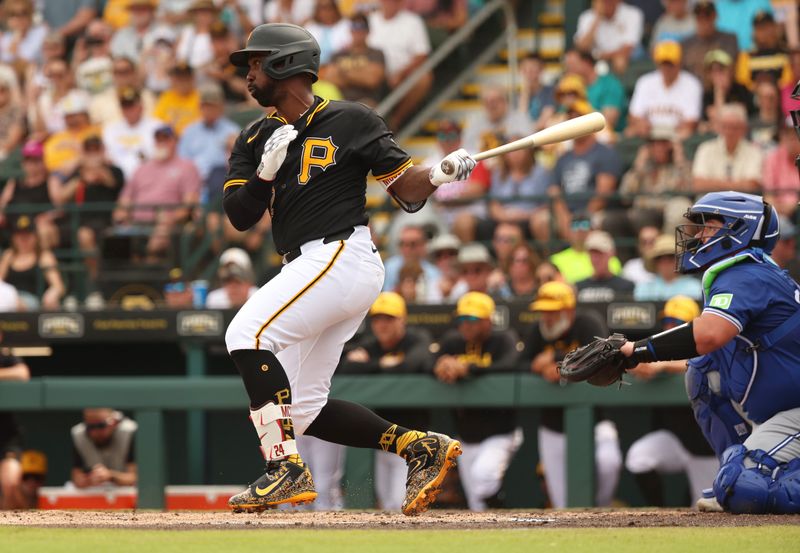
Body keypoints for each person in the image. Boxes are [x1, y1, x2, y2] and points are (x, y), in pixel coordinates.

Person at [221, 23, 475, 515]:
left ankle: (284, 469)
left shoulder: (350, 118)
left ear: (285, 63)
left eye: (255, 62)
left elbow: (406, 188)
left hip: (340, 253)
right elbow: (239, 215)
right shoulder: (254, 136)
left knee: (246, 334)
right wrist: (264, 174)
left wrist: (440, 173)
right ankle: (419, 447)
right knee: (303, 408)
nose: (248, 73)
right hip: (310, 266)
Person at [613, 191, 800, 514]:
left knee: (744, 487)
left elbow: (710, 334)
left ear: (739, 229)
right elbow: (707, 348)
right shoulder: (744, 272)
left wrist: (636, 351)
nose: (698, 235)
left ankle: (743, 474)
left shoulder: (748, 274)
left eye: (709, 226)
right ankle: (735, 466)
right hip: (781, 412)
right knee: (703, 370)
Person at [520, 281, 622, 508]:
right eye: (543, 312)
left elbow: (603, 351)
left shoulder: (587, 322)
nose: (546, 318)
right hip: (552, 425)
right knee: (562, 502)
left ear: (569, 310)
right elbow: (521, 362)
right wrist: (537, 367)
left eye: (552, 312)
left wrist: (557, 360)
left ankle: (601, 509)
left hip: (596, 420)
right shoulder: (538, 331)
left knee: (609, 463)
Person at [339, 292, 434, 510]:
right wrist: (381, 363)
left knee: (400, 502)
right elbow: (347, 366)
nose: (382, 325)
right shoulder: (373, 345)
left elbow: (411, 365)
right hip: (383, 440)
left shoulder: (416, 338)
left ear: (402, 320)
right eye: (378, 319)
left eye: (389, 319)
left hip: (413, 438)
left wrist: (371, 365)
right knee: (387, 502)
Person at [624, 296, 718, 506]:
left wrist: (664, 365)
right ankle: (659, 512)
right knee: (639, 457)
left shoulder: (708, 343)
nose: (670, 327)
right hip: (675, 439)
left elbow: (703, 360)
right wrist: (641, 365)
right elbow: (637, 358)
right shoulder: (659, 348)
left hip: (706, 447)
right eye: (667, 322)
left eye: (676, 323)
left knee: (704, 509)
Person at [433, 292, 521, 511]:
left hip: (500, 432)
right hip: (466, 434)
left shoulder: (502, 339)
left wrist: (469, 368)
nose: (466, 326)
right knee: (476, 503)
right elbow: (427, 363)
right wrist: (441, 364)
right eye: (462, 320)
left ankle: (500, 508)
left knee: (484, 478)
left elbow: (511, 364)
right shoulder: (453, 341)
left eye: (472, 320)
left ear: (488, 320)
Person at [627, 40, 702, 140]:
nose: (666, 68)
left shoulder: (692, 84)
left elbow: (691, 122)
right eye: (663, 63)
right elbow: (634, 115)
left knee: (686, 133)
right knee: (630, 132)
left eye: (670, 63)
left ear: (679, 63)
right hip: (650, 135)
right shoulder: (645, 82)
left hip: (677, 135)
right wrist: (641, 124)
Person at [691, 103, 762, 193]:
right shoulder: (705, 149)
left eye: (734, 127)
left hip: (742, 205)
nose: (729, 132)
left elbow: (752, 185)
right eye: (725, 127)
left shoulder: (754, 151)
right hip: (709, 205)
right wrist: (737, 185)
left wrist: (714, 184)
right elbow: (698, 184)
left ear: (743, 129)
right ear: (718, 127)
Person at [0, 215, 65, 310]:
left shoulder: (44, 256)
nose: (23, 240)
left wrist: (53, 293)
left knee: (15, 302)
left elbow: (58, 285)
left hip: (32, 300)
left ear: (35, 237)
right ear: (14, 238)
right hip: (8, 297)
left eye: (27, 235)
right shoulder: (8, 255)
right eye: (20, 236)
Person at [70, 408, 137, 489]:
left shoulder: (129, 431)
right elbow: (77, 479)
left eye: (101, 425)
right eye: (90, 427)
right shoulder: (79, 434)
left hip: (127, 496)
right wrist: (87, 479)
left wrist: (110, 476)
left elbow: (134, 478)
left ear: (114, 422)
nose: (95, 432)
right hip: (95, 495)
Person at [574, 0, 644, 75]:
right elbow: (582, 47)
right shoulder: (587, 16)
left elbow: (627, 49)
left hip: (622, 58)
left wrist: (599, 56)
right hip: (594, 60)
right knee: (574, 60)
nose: (606, 3)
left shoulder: (633, 13)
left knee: (620, 60)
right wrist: (597, 18)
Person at [0, 339, 30, 509]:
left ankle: (19, 530)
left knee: (10, 484)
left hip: (6, 437)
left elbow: (23, 374)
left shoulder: (6, 357)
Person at [680, 0, 739, 81]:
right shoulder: (686, 44)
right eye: (699, 16)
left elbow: (730, 69)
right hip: (693, 90)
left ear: (715, 16)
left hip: (720, 88)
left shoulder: (729, 40)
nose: (703, 20)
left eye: (707, 16)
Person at [633, 234, 702, 301]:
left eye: (670, 256)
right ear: (654, 262)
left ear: (680, 260)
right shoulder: (644, 288)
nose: (665, 261)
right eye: (660, 258)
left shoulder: (694, 288)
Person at [575, 230, 635, 303]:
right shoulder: (578, 287)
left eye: (600, 253)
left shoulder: (625, 287)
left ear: (611, 253)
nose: (596, 259)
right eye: (592, 254)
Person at [763, 122, 800, 217]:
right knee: (779, 224)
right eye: (788, 135)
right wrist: (782, 209)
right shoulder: (773, 158)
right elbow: (768, 197)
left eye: (796, 135)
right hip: (780, 214)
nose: (793, 140)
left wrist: (794, 207)